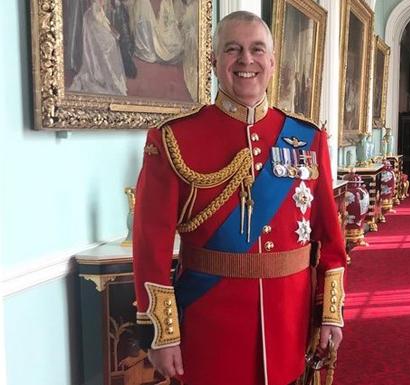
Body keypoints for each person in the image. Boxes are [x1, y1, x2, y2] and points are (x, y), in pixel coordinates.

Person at [132, 11, 347, 385]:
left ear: (272, 61)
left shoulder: (308, 138)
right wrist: (163, 333)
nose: (246, 60)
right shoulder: (174, 138)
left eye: (256, 49)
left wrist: (329, 312)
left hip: (289, 320)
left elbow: (329, 235)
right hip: (210, 324)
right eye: (233, 49)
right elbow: (151, 243)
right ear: (215, 61)